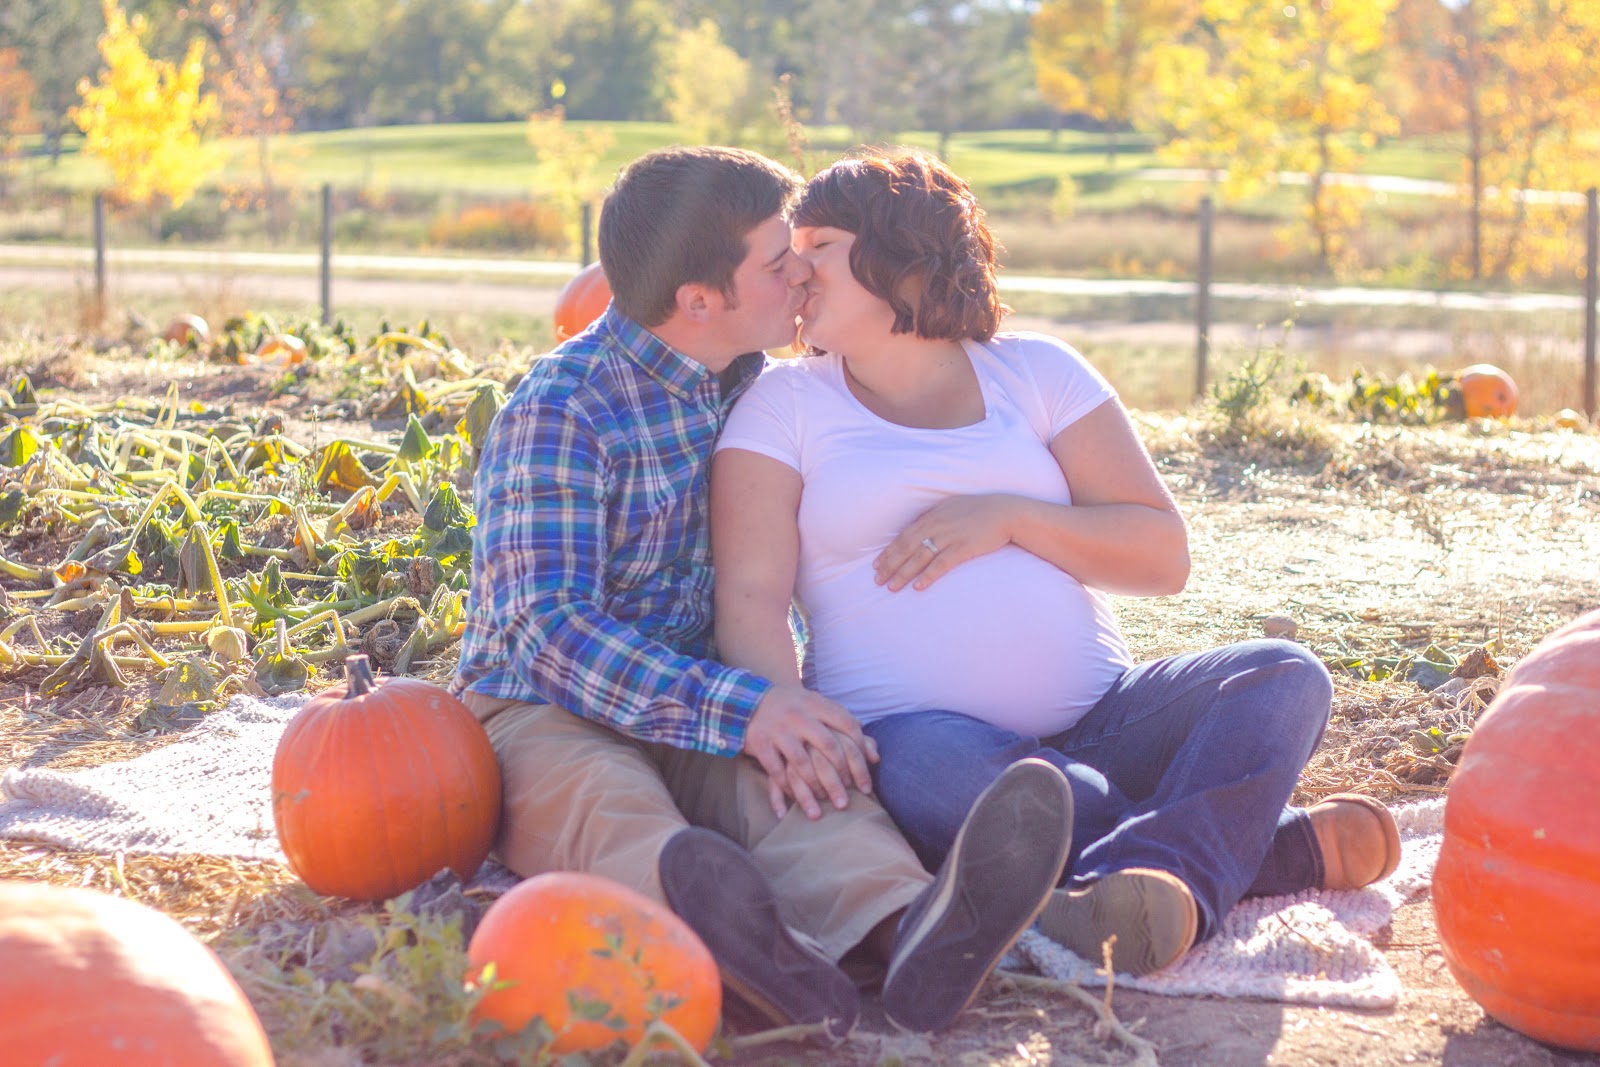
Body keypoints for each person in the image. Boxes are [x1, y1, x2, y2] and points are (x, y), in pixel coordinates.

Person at [710, 148, 1402, 979]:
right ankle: (1257, 854)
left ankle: (1139, 875)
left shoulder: (1035, 373)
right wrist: (782, 712)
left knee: (1283, 673)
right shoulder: (782, 403)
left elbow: (1161, 552)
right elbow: (750, 596)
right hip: (913, 739)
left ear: (903, 254)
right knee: (955, 779)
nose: (795, 265)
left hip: (1107, 721)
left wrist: (1009, 517)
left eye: (818, 241)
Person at [450, 145, 1075, 1037]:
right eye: (779, 263)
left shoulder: (756, 382)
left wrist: (767, 710)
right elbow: (547, 630)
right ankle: (722, 940)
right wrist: (744, 705)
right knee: (612, 807)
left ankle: (911, 929)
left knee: (810, 788)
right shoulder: (564, 407)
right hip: (545, 706)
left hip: (702, 695)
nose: (804, 274)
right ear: (700, 301)